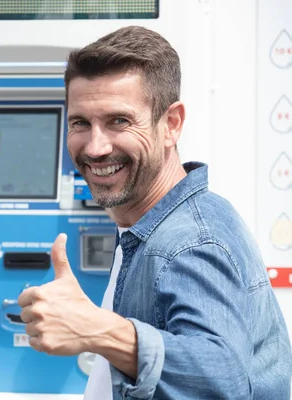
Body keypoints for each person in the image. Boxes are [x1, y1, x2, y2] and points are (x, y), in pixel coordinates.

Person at [17, 26, 292, 399]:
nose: (96, 147)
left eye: (119, 121)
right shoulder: (152, 225)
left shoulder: (188, 242)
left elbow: (224, 378)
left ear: (172, 124)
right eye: (80, 123)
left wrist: (100, 331)